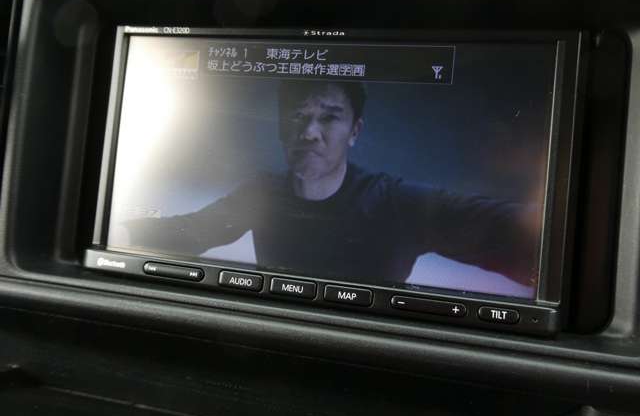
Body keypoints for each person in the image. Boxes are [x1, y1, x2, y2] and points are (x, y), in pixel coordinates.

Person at [123, 80, 540, 287]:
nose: (309, 133)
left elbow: (511, 234)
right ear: (282, 129)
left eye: (328, 118)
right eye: (298, 117)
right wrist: (113, 233)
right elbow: (188, 232)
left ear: (355, 131)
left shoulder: (395, 202)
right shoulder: (263, 193)